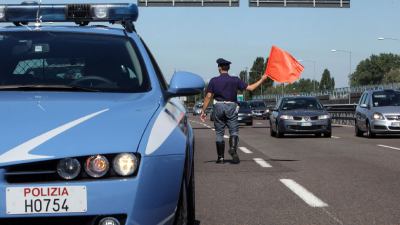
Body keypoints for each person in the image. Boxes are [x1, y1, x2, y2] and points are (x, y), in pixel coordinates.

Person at [200, 58, 268, 164]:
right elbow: (250, 88)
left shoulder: (213, 80)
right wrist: (262, 79)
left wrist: (203, 111)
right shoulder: (235, 80)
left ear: (219, 68)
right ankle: (232, 148)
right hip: (231, 106)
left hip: (218, 106)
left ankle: (220, 158)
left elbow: (208, 96)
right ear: (228, 68)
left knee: (219, 133)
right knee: (234, 131)